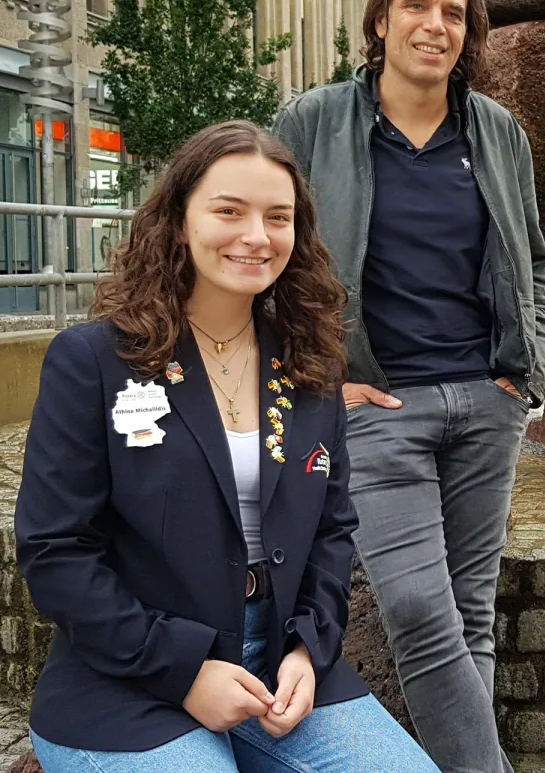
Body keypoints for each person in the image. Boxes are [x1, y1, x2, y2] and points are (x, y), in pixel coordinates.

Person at [16, 121, 438, 773]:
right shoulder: (95, 362)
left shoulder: (312, 367)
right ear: (180, 221)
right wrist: (182, 671)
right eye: (228, 211)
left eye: (278, 217)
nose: (256, 236)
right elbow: (55, 551)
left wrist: (309, 648)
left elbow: (332, 530)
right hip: (126, 679)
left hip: (276, 665)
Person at [272, 0, 545, 773]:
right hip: (378, 408)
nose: (436, 26)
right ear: (382, 20)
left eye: (454, 14)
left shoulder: (497, 131)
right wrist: (319, 376)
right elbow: (271, 258)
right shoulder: (314, 121)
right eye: (418, 6)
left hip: (486, 402)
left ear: (471, 33)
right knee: (419, 612)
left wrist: (526, 368)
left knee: (469, 615)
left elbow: (532, 259)